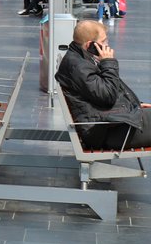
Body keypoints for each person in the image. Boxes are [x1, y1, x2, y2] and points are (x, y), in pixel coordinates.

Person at [55, 21, 151, 149]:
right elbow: (107, 96)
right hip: (107, 132)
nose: (107, 45)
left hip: (110, 123)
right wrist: (108, 62)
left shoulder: (81, 59)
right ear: (90, 45)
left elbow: (102, 92)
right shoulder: (79, 67)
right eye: (104, 41)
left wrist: (134, 105)